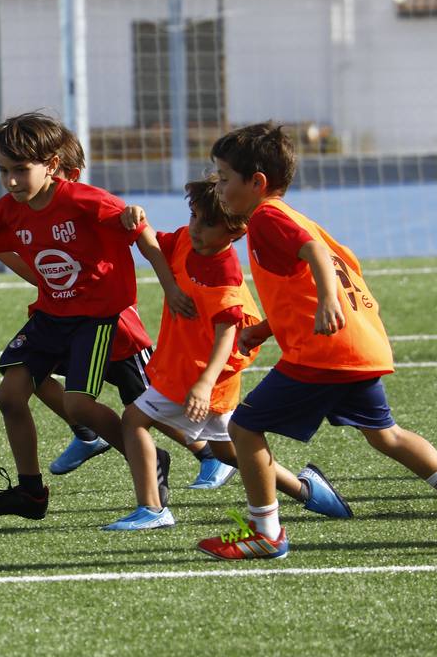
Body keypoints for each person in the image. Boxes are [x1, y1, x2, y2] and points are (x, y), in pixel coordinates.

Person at [197, 122, 437, 559]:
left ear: (257, 182)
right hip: (355, 347)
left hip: (325, 353)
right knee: (386, 436)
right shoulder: (294, 216)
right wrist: (266, 328)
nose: (220, 187)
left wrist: (326, 300)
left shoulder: (267, 216)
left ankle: (265, 531)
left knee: (244, 427)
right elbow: (317, 275)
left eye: (225, 178)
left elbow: (316, 256)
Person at [0, 111, 184, 520]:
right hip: (50, 317)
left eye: (21, 170)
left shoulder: (83, 200)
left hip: (94, 320)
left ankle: (145, 457)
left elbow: (142, 234)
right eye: (4, 171)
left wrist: (170, 287)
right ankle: (31, 492)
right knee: (8, 395)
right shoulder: (9, 210)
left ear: (52, 165)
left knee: (79, 406)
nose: (12, 181)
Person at [104, 176, 352, 530]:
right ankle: (306, 490)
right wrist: (138, 219)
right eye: (193, 217)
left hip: (206, 373)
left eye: (207, 224)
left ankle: (153, 509)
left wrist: (204, 384)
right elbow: (154, 246)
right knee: (226, 450)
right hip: (192, 368)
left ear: (235, 234)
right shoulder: (188, 242)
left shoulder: (224, 274)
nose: (195, 229)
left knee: (133, 419)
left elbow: (227, 335)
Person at [0, 129, 220, 498]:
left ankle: (208, 451)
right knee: (30, 378)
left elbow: (138, 232)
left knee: (146, 401)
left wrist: (133, 217)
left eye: (58, 176)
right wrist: (50, 283)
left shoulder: (84, 208)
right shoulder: (27, 214)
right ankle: (85, 433)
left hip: (115, 328)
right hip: (64, 320)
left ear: (65, 172)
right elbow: (15, 253)